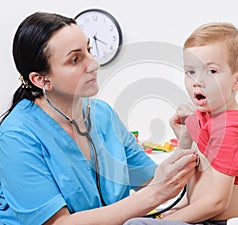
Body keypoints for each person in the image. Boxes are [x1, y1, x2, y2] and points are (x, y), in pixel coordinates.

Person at [0, 12, 198, 225]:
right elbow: (59, 223)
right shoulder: (16, 137)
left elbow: (150, 180)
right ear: (41, 79)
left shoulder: (102, 115)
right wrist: (154, 195)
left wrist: (185, 143)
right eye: (75, 59)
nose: (93, 64)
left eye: (89, 50)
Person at [123, 22, 238, 225]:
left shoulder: (231, 130)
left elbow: (217, 202)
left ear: (237, 80)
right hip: (203, 218)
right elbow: (196, 181)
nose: (197, 81)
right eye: (190, 71)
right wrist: (185, 140)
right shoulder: (204, 118)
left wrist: (168, 221)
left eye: (211, 71)